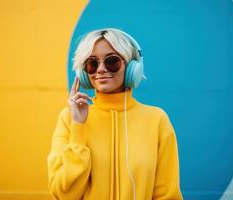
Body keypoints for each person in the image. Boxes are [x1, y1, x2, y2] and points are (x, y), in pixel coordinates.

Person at [47, 28, 183, 200]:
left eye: (112, 61)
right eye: (92, 63)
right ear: (84, 72)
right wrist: (78, 128)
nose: (101, 69)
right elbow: (63, 194)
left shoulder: (156, 120)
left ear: (132, 67)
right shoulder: (69, 119)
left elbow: (167, 195)